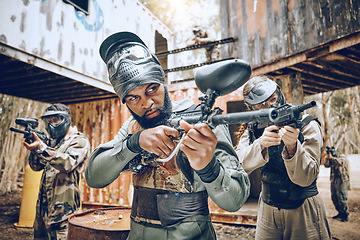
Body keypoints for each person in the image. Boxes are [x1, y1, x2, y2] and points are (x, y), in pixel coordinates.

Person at [85, 31, 250, 240]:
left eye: (151, 89)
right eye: (133, 98)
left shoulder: (201, 122)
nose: (146, 103)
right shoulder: (132, 127)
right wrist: (134, 144)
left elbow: (234, 201)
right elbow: (93, 177)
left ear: (164, 84)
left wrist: (208, 166)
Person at [235, 76, 331, 239]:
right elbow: (238, 165)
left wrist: (293, 147)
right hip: (268, 207)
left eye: (272, 99)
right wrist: (261, 144)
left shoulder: (306, 124)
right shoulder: (253, 129)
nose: (271, 106)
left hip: (303, 207)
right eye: (262, 105)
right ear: (251, 108)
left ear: (279, 93)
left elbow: (307, 178)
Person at [23, 103, 90, 240]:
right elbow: (36, 167)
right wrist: (34, 149)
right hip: (43, 210)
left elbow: (67, 163)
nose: (51, 125)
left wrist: (42, 147)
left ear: (65, 119)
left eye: (55, 120)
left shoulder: (79, 140)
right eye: (48, 121)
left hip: (63, 212)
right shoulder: (52, 143)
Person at [324, 146, 350, 222]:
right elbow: (326, 165)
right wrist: (328, 158)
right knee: (334, 197)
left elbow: (341, 162)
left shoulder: (341, 156)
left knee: (342, 197)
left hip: (342, 180)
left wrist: (332, 158)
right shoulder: (331, 158)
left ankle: (345, 214)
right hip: (334, 179)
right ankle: (340, 212)